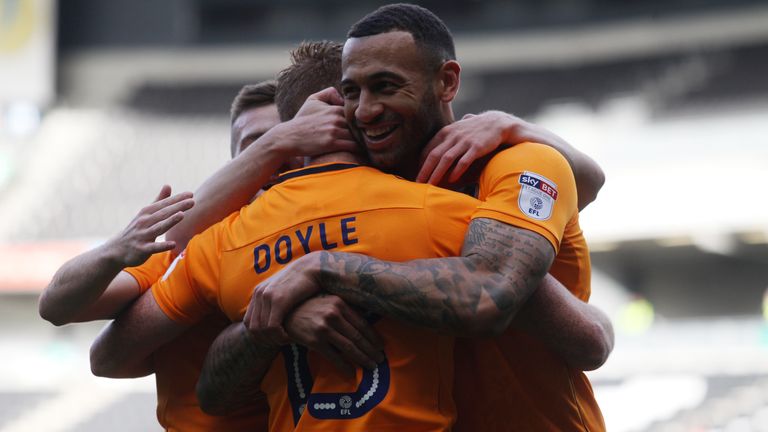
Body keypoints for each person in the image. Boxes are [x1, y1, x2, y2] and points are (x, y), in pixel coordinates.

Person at [239, 4, 609, 431]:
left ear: (447, 81)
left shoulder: (516, 162)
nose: (364, 111)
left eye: (386, 87)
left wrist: (323, 269)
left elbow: (504, 301)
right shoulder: (348, 200)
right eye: (351, 94)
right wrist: (279, 322)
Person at [89, 40, 482, 431]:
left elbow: (114, 359)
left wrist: (268, 320)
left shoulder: (221, 242)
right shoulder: (445, 210)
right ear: (342, 109)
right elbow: (507, 293)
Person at [40, 80, 355, 431]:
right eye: (260, 143)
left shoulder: (347, 228)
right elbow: (57, 306)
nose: (284, 155)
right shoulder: (198, 246)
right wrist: (117, 249)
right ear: (239, 163)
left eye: (298, 138)